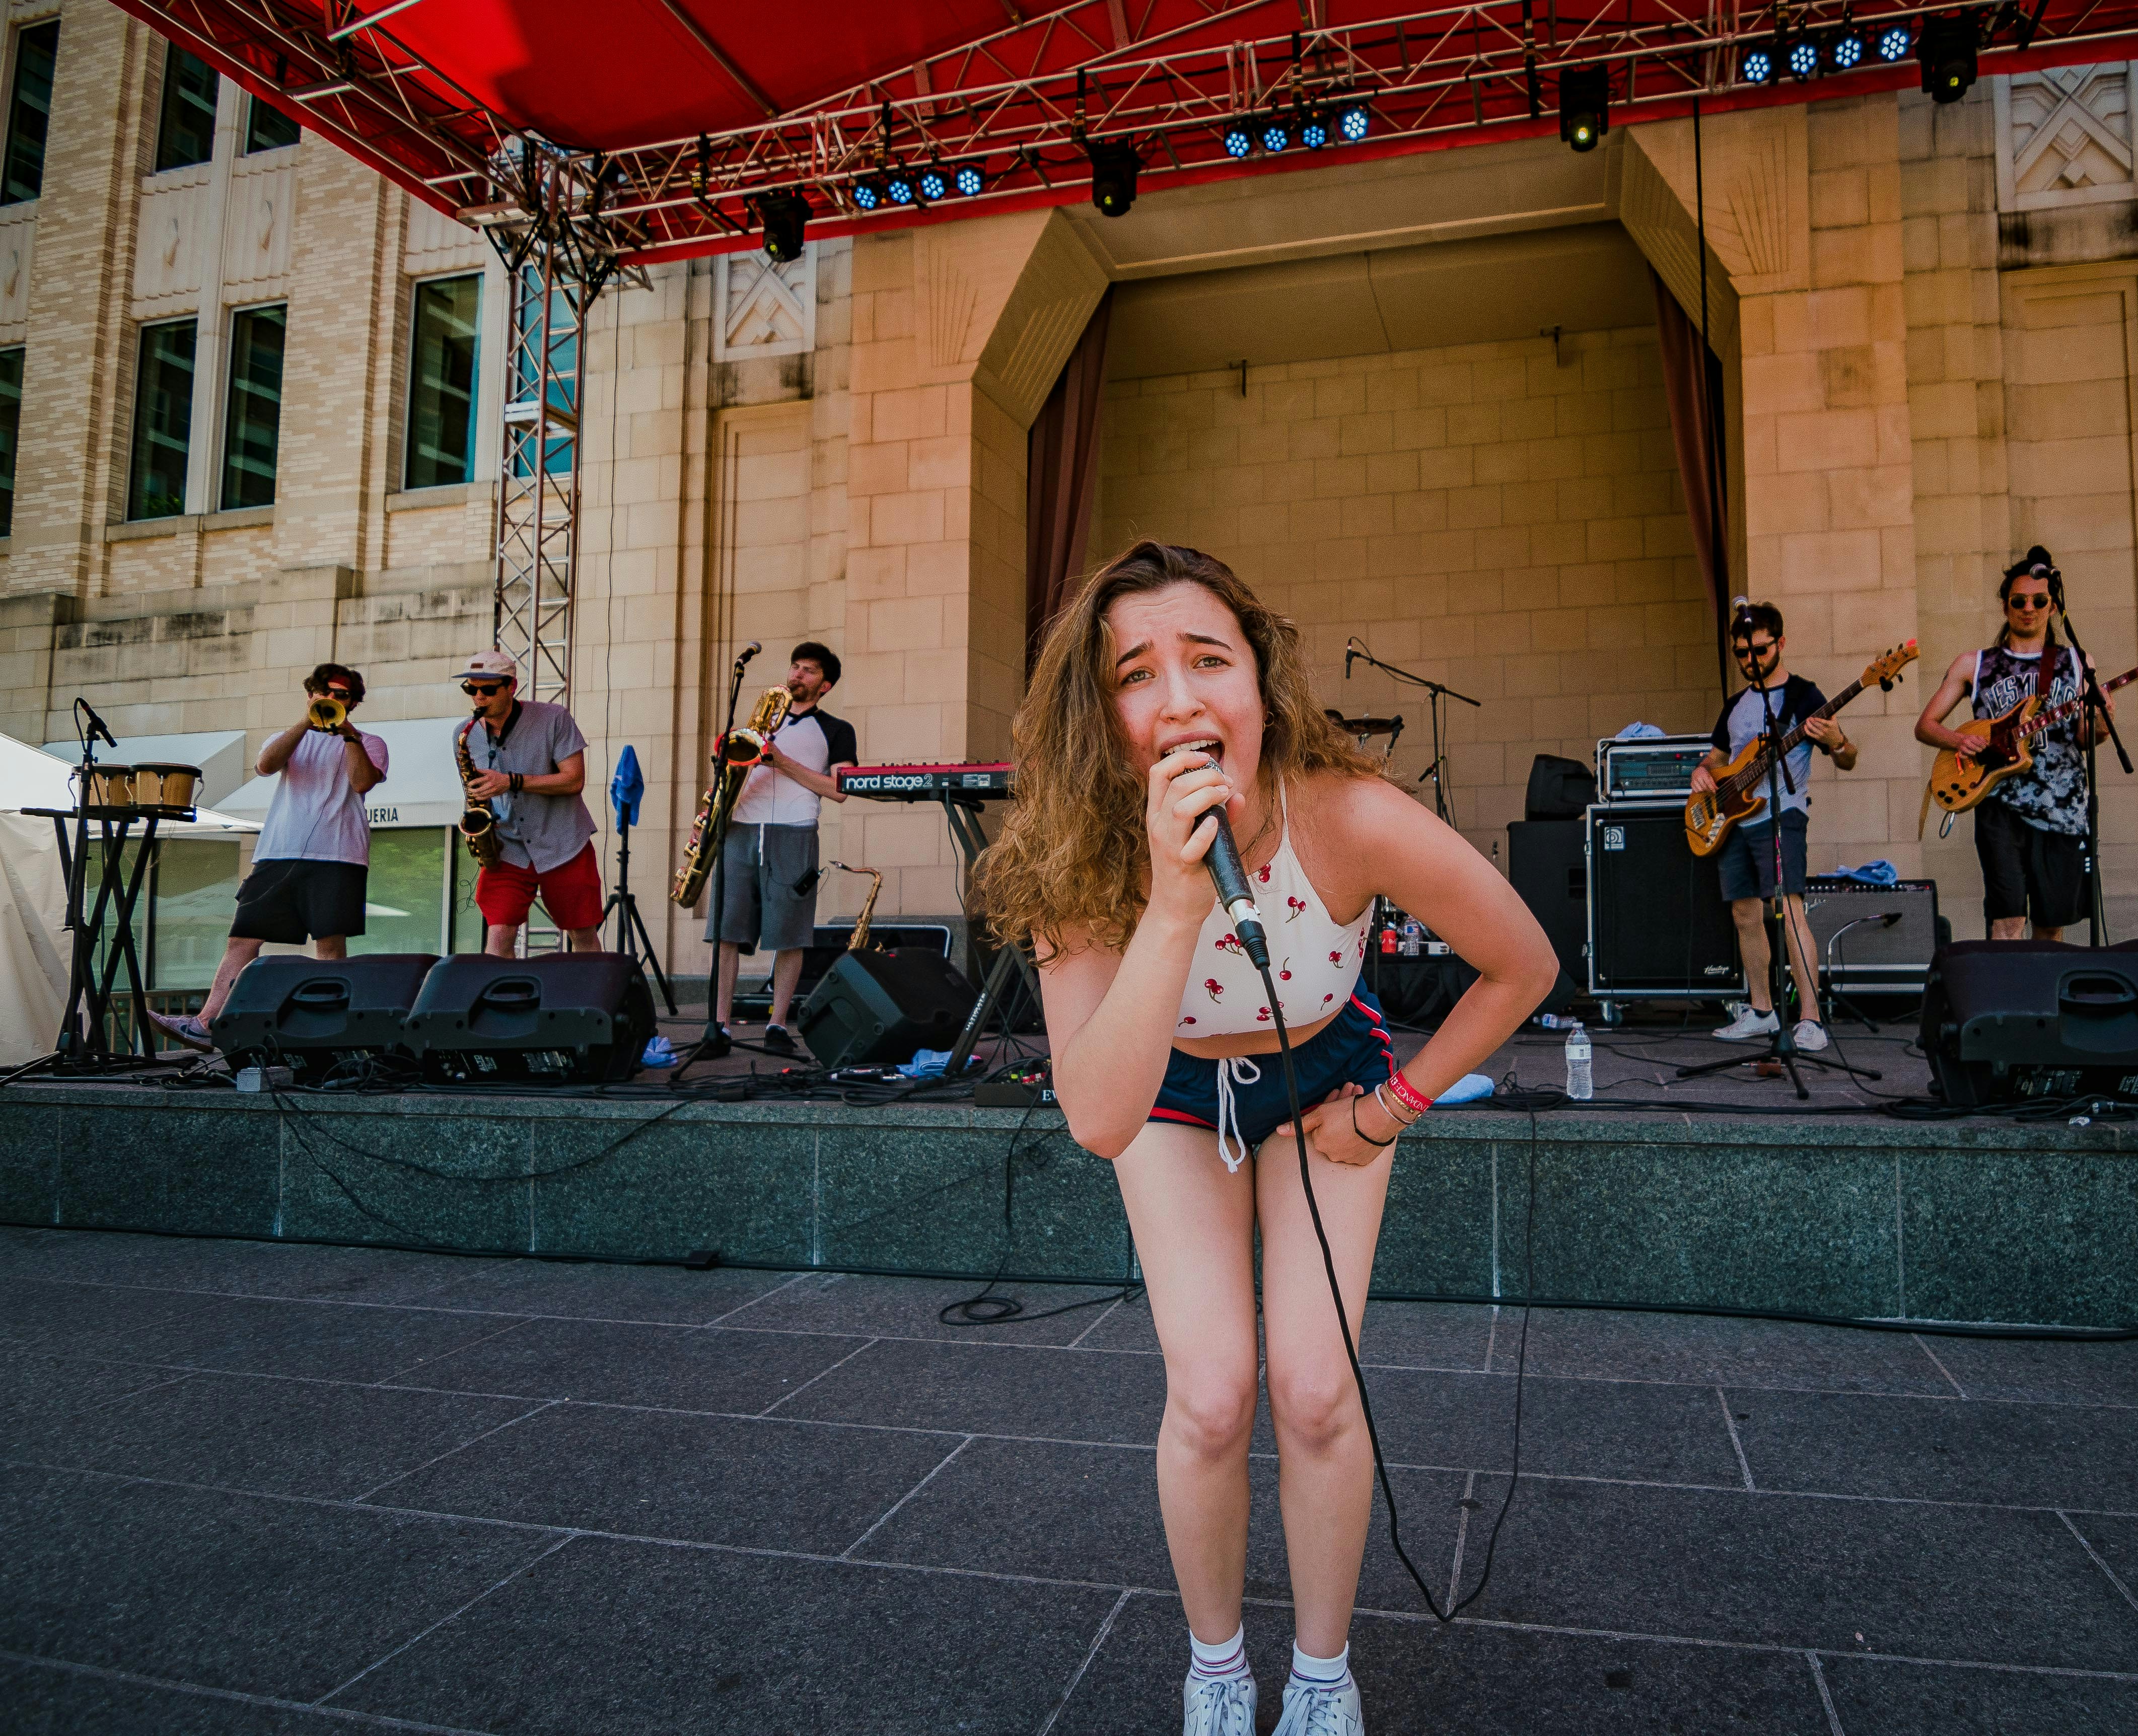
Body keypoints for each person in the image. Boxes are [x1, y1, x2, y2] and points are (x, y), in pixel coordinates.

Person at [979, 542, 1554, 1736]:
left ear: (1261, 682)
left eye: (1208, 659)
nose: (1180, 697)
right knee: (1209, 1395)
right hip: (1164, 1090)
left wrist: (1393, 1106)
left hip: (1328, 1082)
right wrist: (1177, 898)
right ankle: (1217, 1664)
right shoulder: (1071, 852)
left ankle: (1323, 1674)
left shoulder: (1345, 813)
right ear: (1102, 716)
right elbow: (1096, 1113)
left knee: (1312, 1388)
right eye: (1137, 673)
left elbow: (1524, 961)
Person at [150, 664, 389, 1050]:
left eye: (342, 695)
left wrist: (348, 736)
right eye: (325, 692)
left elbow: (362, 782)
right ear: (311, 693)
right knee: (243, 939)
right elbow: (265, 766)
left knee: (329, 945)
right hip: (278, 852)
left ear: (355, 703)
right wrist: (305, 724)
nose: (333, 699)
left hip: (339, 856)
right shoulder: (289, 737)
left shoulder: (369, 742)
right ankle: (207, 1023)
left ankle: (330, 1033)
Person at [1689, 601, 1858, 1050]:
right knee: (1744, 913)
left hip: (1782, 814)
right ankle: (1761, 1010)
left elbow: (1848, 758)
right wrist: (1702, 772)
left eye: (1760, 652)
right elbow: (1720, 757)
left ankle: (1810, 1018)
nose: (1751, 661)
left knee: (1789, 909)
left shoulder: (1805, 696)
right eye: (1742, 654)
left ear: (1780, 644)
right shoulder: (1734, 706)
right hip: (1731, 820)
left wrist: (1838, 740)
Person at [1914, 546, 2106, 941]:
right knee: (2006, 920)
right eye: (2019, 601)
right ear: (2005, 606)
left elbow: (2086, 738)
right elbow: (1926, 725)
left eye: (2040, 601)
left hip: (2063, 808)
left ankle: (2040, 1001)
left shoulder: (2075, 662)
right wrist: (1960, 739)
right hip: (1999, 805)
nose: (2028, 608)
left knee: (2051, 925)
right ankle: (2006, 1000)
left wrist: (2103, 722)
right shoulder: (1975, 664)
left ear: (2053, 607)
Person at [707, 641, 856, 1055]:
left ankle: (778, 1023)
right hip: (740, 829)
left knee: (791, 932)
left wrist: (781, 761)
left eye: (808, 671)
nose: (797, 675)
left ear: (824, 686)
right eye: (795, 667)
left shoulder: (837, 730)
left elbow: (841, 791)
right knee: (726, 930)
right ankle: (718, 1025)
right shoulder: (757, 724)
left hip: (794, 831)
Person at [456, 649, 604, 955]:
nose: (478, 698)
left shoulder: (554, 718)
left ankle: (591, 999)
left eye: (488, 689)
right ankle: (501, 1002)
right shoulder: (464, 734)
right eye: (471, 689)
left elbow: (574, 780)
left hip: (563, 843)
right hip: (507, 847)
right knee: (498, 936)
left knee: (583, 936)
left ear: (511, 686)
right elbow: (473, 791)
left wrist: (511, 781)